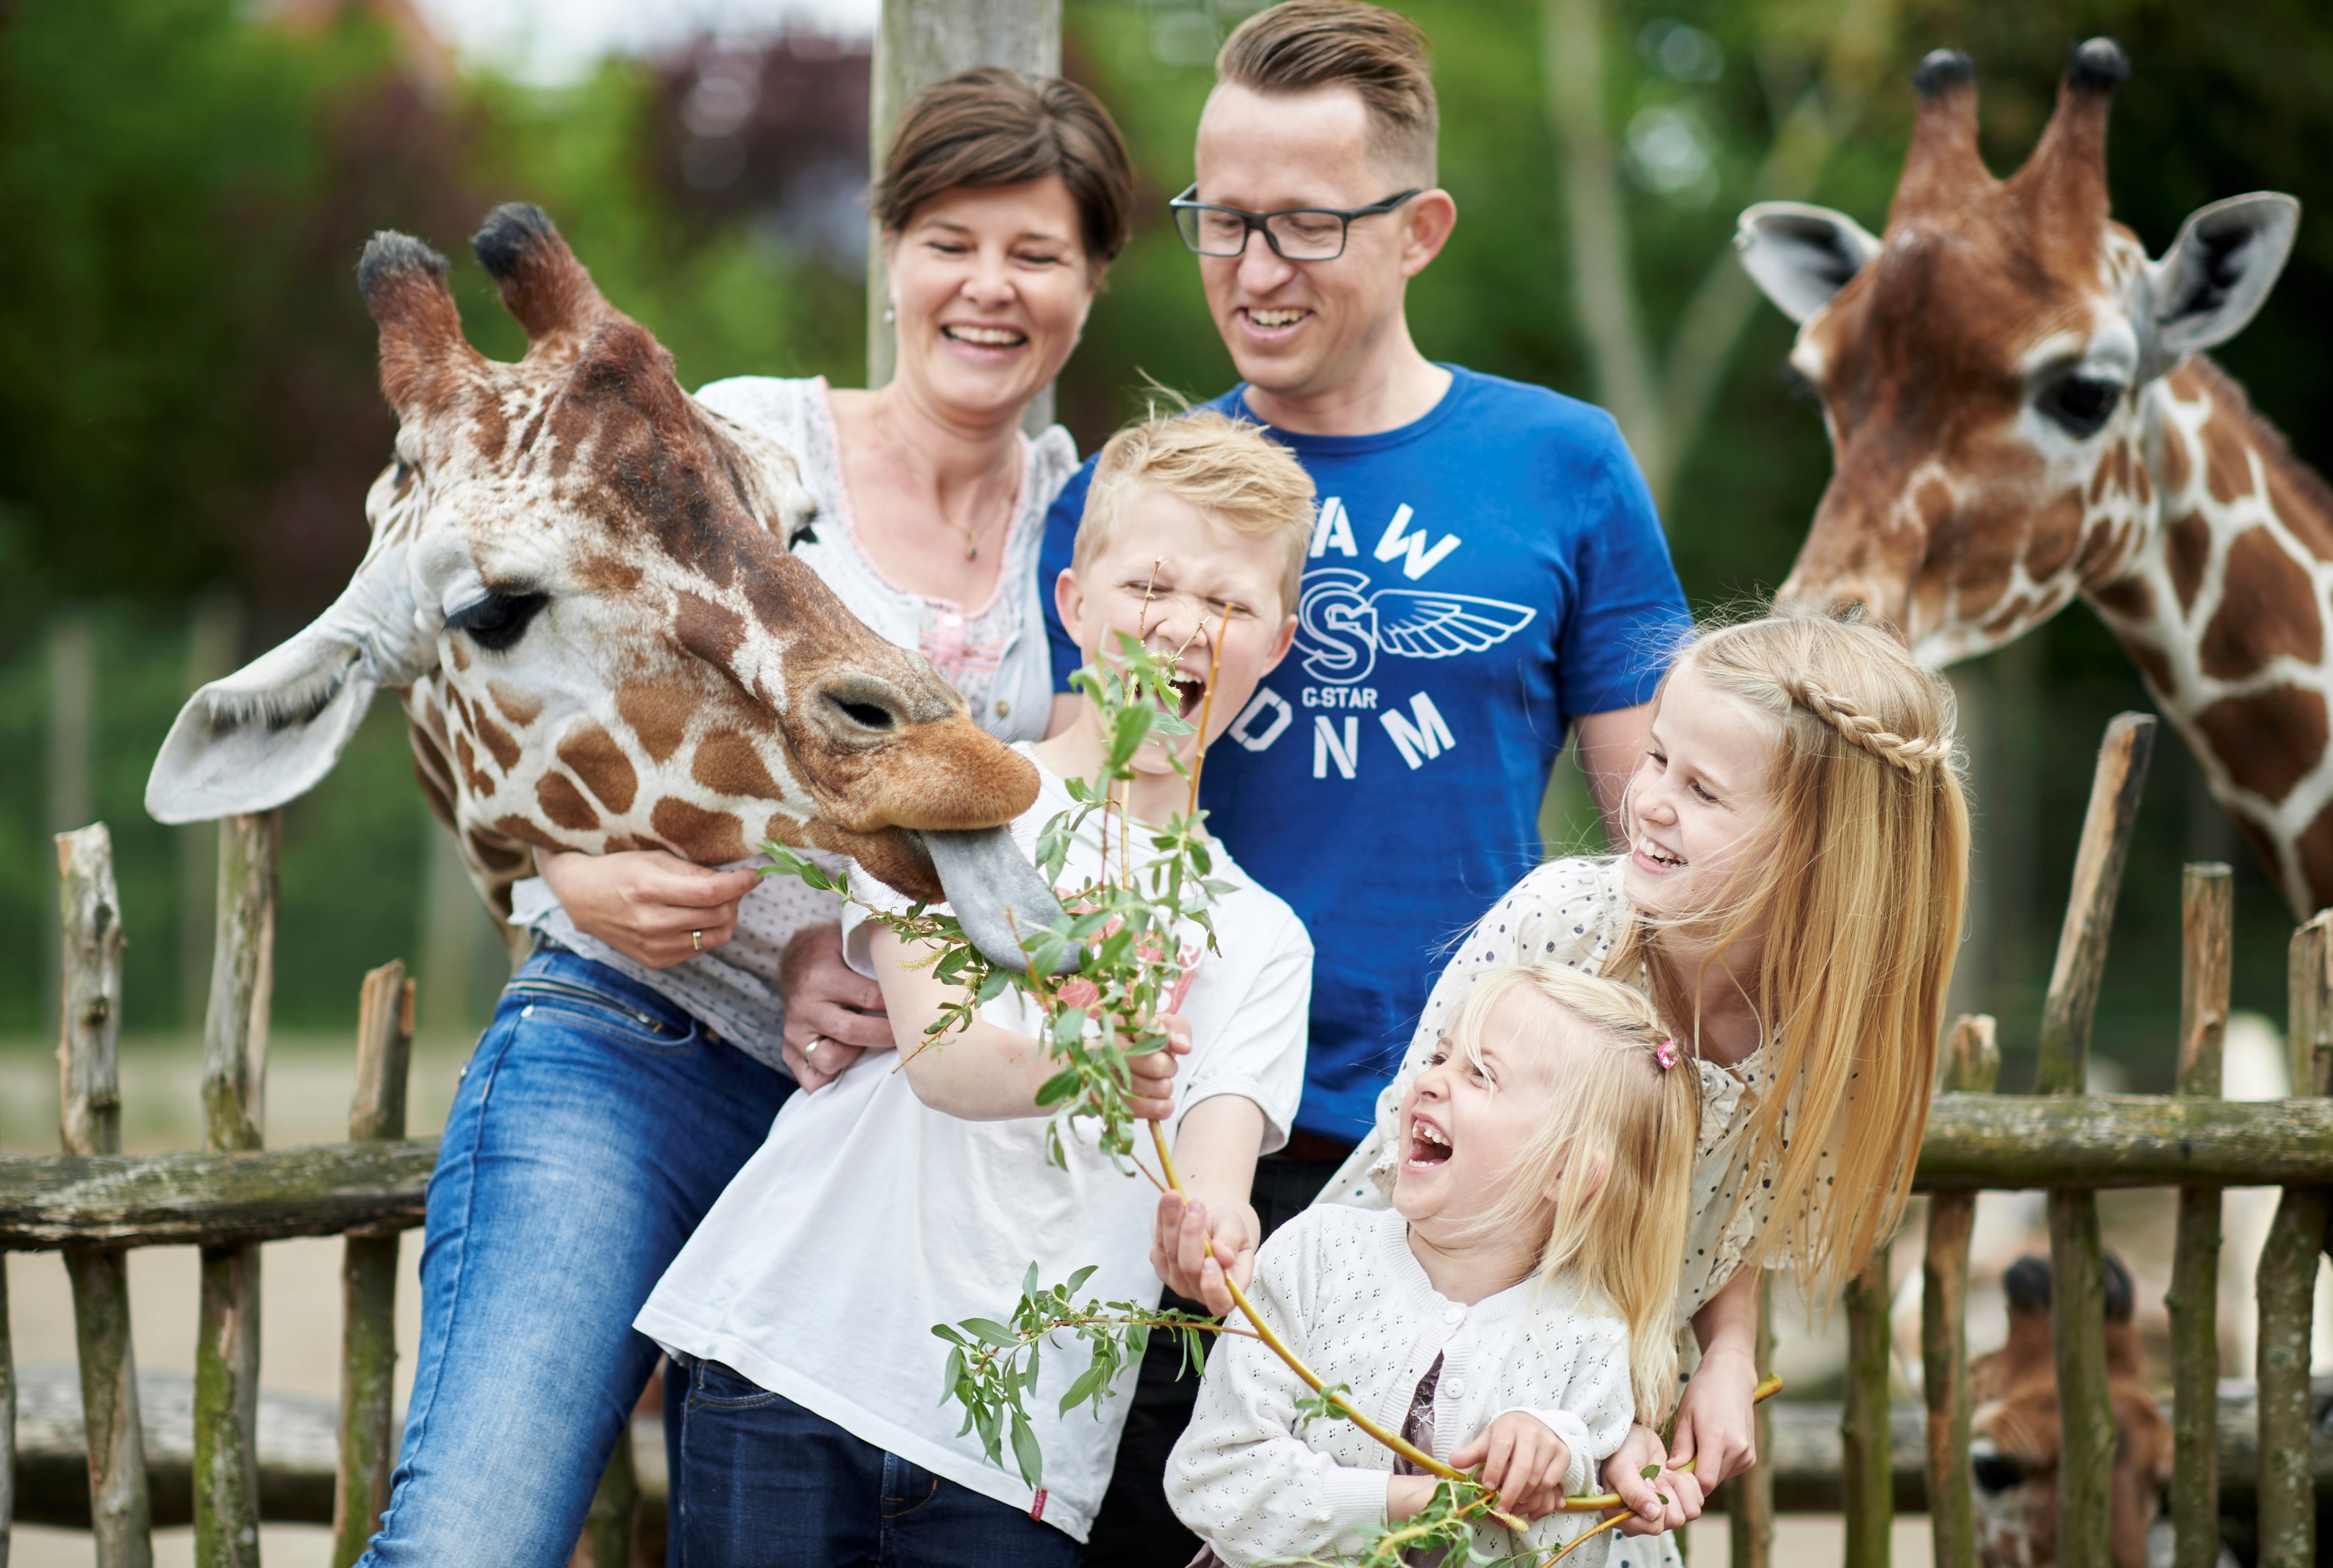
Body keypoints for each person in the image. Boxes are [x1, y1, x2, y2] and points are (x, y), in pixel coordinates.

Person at [357, 69, 1133, 1567]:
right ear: (889, 249)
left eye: (1038, 252)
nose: (988, 287)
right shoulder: (736, 440)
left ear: (1094, 282)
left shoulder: (1097, 525)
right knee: (474, 1534)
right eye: (949, 239)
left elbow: (1111, 799)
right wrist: (565, 883)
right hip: (649, 1046)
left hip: (895, 1139)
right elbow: (500, 680)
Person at [1042, 6, 1691, 1552]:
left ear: (1419, 230)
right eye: (1217, 219)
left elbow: (1670, 878)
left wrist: (1695, 1312)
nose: (1250, 268)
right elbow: (1063, 823)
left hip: (1467, 1169)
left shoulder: (1563, 464)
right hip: (1182, 1158)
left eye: (1304, 224)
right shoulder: (1132, 501)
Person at [634, 410, 1319, 1564]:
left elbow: (1213, 1169)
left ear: (1279, 642)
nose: (1183, 623)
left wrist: (1208, 1239)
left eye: (1230, 602)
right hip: (796, 1352)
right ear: (1074, 604)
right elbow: (946, 1062)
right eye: (1149, 581)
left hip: (1016, 1451)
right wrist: (1097, 1060)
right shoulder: (954, 798)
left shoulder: (1261, 939)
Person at [1316, 611, 1970, 1560]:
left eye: (1703, 789)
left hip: (1585, 1464)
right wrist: (1582, 1413)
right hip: (1391, 1421)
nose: (1650, 800)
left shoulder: (1834, 1044)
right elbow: (1409, 1181)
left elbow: (1741, 1211)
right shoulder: (1560, 930)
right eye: (1659, 758)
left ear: (1822, 849)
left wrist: (1728, 1352)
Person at [1167, 965, 1701, 1567]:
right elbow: (1214, 1478)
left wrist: (1556, 1452)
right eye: (1442, 1055)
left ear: (1566, 1172)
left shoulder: (1589, 1339)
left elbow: (1569, 1543)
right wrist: (1416, 1499)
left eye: (1481, 1073)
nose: (1432, 1080)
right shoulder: (1314, 1255)